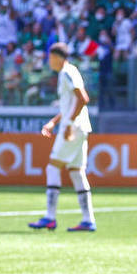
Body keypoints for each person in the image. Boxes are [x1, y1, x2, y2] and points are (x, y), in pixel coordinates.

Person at [29, 42, 96, 232]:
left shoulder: (67, 72)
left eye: (50, 57)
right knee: (76, 171)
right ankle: (88, 220)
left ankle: (50, 217)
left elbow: (83, 98)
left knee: (52, 167)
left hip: (73, 128)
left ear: (58, 57)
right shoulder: (69, 72)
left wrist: (67, 124)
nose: (48, 61)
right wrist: (54, 122)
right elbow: (71, 105)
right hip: (80, 127)